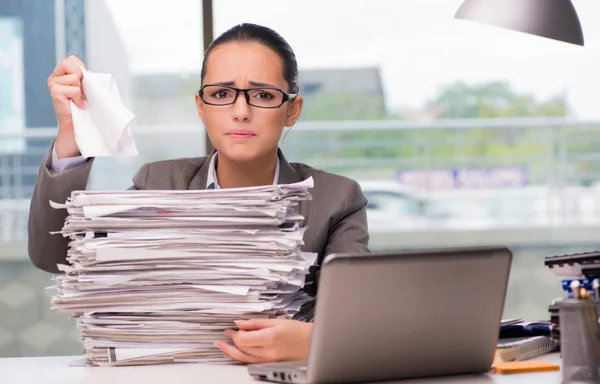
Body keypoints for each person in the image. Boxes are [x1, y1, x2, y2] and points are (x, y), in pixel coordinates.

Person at [28, 23, 370, 364]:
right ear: (201, 106)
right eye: (221, 94)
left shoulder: (337, 200)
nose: (240, 112)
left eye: (263, 95)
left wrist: (315, 341)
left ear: (292, 109)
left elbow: (360, 320)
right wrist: (71, 135)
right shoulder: (159, 183)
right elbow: (55, 255)